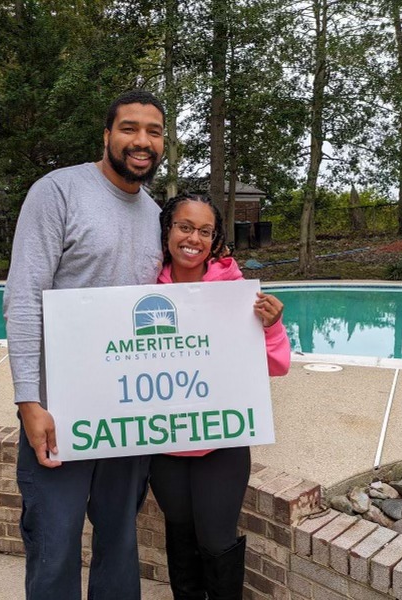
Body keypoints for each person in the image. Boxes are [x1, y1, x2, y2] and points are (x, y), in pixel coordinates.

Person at [2, 90, 165, 600]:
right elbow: (24, 298)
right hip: (59, 409)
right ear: (107, 135)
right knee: (54, 543)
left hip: (126, 411)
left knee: (119, 542)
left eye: (154, 131)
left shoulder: (155, 214)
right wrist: (29, 401)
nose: (142, 141)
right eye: (129, 128)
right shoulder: (58, 192)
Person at [150, 193, 291, 600]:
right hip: (163, 439)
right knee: (179, 533)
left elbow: (277, 365)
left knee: (215, 538)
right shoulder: (143, 289)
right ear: (167, 230)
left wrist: (272, 326)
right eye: (185, 227)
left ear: (215, 239)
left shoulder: (237, 292)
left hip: (221, 439)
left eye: (205, 231)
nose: (193, 238)